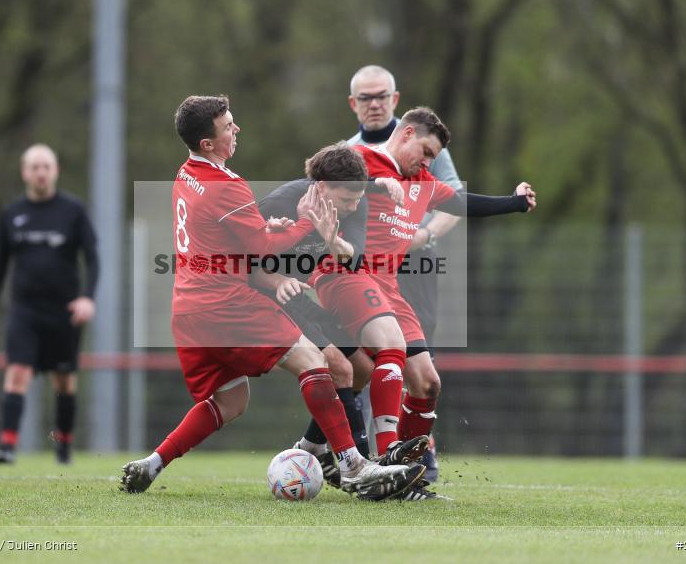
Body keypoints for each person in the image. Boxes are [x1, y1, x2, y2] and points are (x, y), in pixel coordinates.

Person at [119, 95, 425, 500]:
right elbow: (261, 248)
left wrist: (281, 231)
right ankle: (353, 465)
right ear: (208, 142)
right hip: (225, 303)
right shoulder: (226, 186)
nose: (236, 129)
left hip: (189, 309)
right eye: (228, 126)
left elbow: (238, 237)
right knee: (316, 362)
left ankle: (152, 463)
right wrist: (301, 222)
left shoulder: (186, 174)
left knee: (231, 401)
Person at [312, 106, 536, 499]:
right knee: (382, 353)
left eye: (433, 157)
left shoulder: (426, 183)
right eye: (427, 152)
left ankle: (400, 472)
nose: (429, 161)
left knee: (427, 382)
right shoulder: (362, 161)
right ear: (407, 132)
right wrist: (376, 188)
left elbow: (467, 203)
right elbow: (318, 184)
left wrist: (513, 202)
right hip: (347, 274)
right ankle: (384, 470)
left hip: (388, 288)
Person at [253, 142, 425, 489]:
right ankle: (362, 470)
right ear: (320, 187)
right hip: (261, 297)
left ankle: (311, 447)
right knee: (340, 366)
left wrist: (334, 241)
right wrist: (277, 278)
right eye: (346, 199)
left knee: (363, 368)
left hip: (296, 297)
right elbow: (240, 264)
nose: (353, 207)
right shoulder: (277, 204)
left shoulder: (353, 203)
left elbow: (353, 257)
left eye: (358, 198)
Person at [346, 65, 464, 482]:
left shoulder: (425, 138)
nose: (374, 104)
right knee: (364, 360)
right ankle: (361, 456)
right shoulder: (348, 151)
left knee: (418, 364)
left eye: (382, 96)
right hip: (363, 270)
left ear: (395, 101)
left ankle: (415, 458)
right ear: (353, 104)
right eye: (366, 98)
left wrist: (424, 235)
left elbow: (457, 197)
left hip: (415, 264)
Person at [0, 144, 99, 465]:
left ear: (55, 170)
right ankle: (6, 446)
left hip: (64, 312)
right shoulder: (12, 214)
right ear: (24, 172)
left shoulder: (74, 211)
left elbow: (93, 258)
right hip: (25, 311)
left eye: (46, 166)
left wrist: (87, 297)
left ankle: (63, 445)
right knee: (17, 371)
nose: (41, 172)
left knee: (64, 381)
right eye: (34, 167)